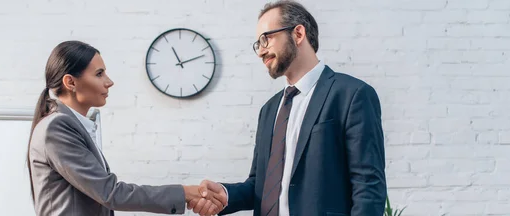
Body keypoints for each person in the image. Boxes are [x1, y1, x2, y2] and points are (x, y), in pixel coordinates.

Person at [188, 1, 387, 215]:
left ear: (298, 34)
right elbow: (261, 184)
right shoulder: (269, 110)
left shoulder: (352, 95)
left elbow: (368, 187)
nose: (260, 51)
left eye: (266, 38)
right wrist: (225, 194)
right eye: (257, 44)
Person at [26, 40, 226, 216]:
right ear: (70, 82)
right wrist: (185, 192)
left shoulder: (68, 124)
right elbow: (110, 193)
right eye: (99, 74)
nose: (109, 82)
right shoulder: (58, 127)